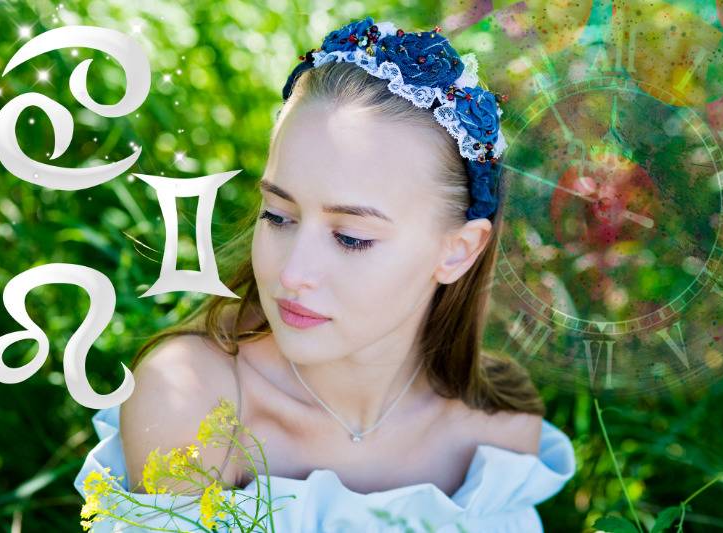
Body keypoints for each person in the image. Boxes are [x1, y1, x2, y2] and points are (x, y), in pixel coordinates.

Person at [74, 16, 576, 532]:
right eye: (278, 216)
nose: (293, 273)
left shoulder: (497, 441)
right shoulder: (192, 398)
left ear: (457, 252)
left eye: (352, 237)